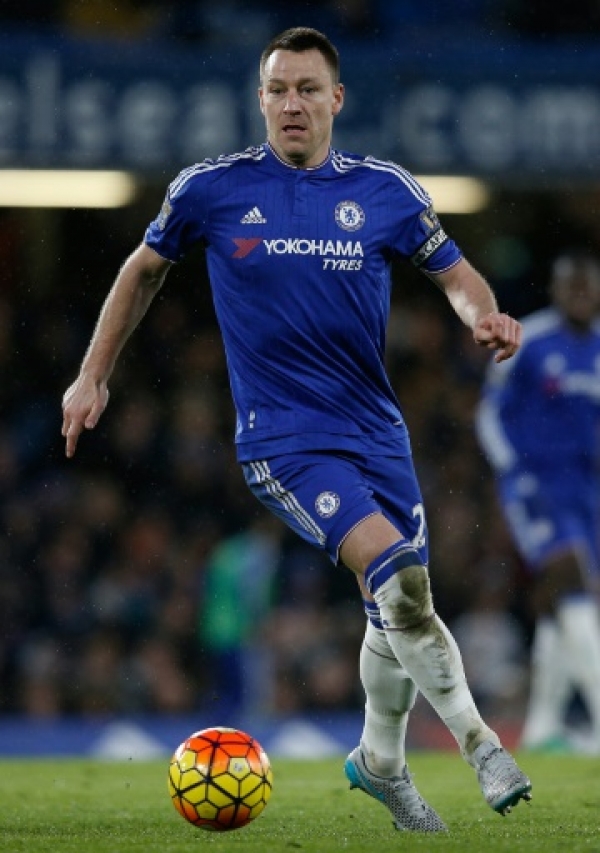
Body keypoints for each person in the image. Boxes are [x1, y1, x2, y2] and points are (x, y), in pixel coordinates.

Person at [61, 26, 531, 832]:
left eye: (308, 89)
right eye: (277, 89)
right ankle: (481, 743)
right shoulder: (211, 188)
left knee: (394, 606)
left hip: (379, 433)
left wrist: (483, 315)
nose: (291, 104)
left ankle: (380, 763)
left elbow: (454, 276)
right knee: (403, 582)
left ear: (337, 100)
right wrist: (92, 371)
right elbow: (141, 270)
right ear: (260, 99)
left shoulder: (385, 190)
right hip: (284, 440)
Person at [477, 250, 600, 754]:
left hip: (587, 491)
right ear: (555, 290)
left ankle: (542, 726)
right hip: (537, 483)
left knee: (557, 603)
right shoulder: (527, 341)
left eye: (586, 287)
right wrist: (513, 469)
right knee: (570, 578)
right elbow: (489, 413)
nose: (579, 295)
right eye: (570, 286)